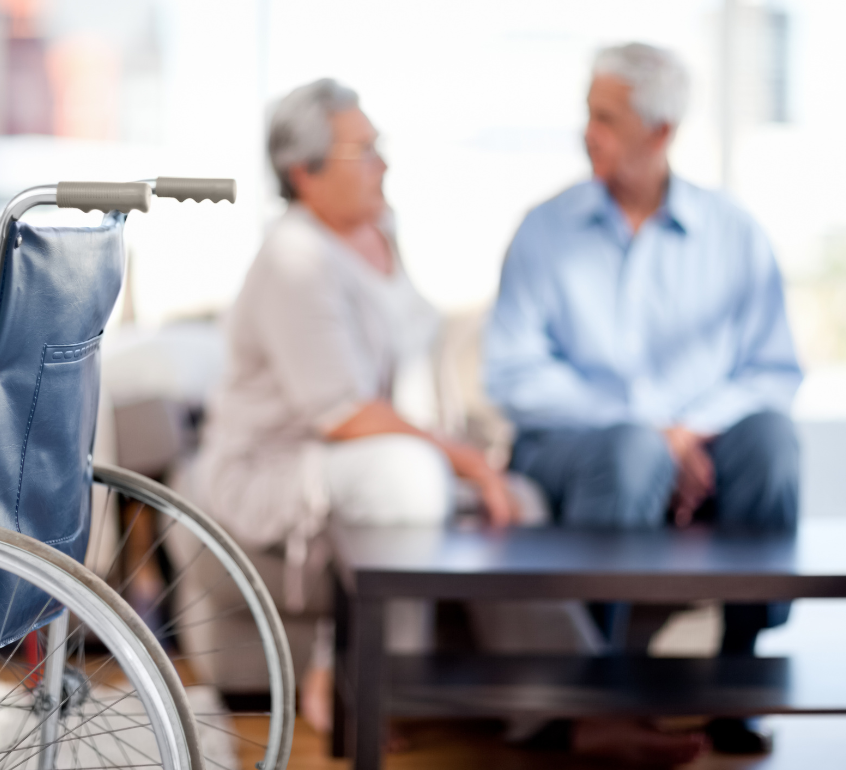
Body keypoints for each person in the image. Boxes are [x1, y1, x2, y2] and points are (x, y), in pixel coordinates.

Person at [487, 42, 802, 763]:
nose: (587, 131)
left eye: (606, 117)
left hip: (703, 441)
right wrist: (650, 433)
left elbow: (773, 369)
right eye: (588, 113)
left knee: (772, 440)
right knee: (629, 448)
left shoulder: (733, 234)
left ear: (659, 133)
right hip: (578, 445)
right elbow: (512, 374)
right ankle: (600, 687)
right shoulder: (545, 230)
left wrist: (692, 431)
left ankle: (740, 672)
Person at [194, 78, 515, 735]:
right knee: (409, 476)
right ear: (304, 173)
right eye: (364, 150)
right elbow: (342, 413)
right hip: (276, 466)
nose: (384, 165)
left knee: (521, 504)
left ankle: (561, 713)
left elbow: (420, 344)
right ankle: (371, 686)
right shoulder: (294, 258)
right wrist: (464, 463)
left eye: (379, 146)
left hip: (357, 450)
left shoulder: (381, 231)